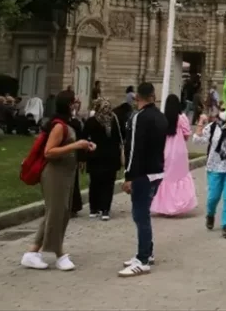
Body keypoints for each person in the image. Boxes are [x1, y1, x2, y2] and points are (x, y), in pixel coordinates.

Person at [21, 90, 93, 271]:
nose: (78, 103)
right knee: (56, 213)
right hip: (54, 174)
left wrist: (84, 146)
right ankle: (59, 253)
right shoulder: (59, 126)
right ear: (68, 105)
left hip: (66, 174)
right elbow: (49, 152)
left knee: (61, 212)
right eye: (74, 101)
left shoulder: (67, 124)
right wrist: (76, 145)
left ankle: (32, 252)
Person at [119, 82, 168, 277]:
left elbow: (133, 149)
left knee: (140, 215)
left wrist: (128, 176)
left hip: (142, 172)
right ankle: (147, 250)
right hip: (156, 170)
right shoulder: (161, 117)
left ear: (138, 97)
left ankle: (143, 259)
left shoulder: (139, 117)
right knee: (144, 213)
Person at [194, 110, 226, 238]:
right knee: (213, 197)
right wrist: (200, 122)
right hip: (215, 166)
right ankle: (210, 214)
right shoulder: (212, 127)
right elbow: (197, 140)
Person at [150, 94, 198, 216]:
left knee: (166, 178)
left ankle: (164, 206)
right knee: (179, 177)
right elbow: (187, 135)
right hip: (179, 152)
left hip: (165, 150)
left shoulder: (162, 118)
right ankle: (178, 204)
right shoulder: (182, 118)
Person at [83, 97, 124, 220]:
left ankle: (94, 208)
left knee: (95, 183)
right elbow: (121, 138)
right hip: (111, 157)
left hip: (95, 157)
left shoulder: (91, 121)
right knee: (108, 184)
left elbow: (84, 137)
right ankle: (105, 209)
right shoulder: (115, 120)